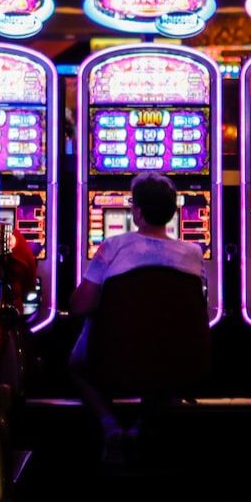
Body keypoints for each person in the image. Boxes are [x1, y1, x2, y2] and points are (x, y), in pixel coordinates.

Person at [67, 171, 207, 461]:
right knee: (162, 357)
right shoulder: (193, 253)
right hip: (176, 359)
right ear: (171, 213)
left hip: (116, 358)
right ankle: (142, 427)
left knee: (76, 365)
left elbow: (79, 306)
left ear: (137, 211)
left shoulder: (113, 247)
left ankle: (111, 427)